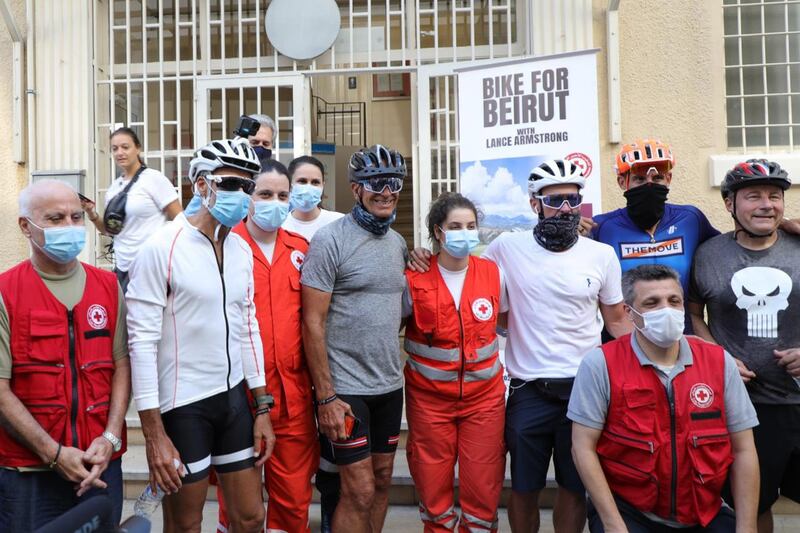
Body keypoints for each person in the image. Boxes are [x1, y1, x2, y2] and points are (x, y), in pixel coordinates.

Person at [126, 138, 275, 533]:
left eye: (247, 186)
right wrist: (153, 434)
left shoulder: (241, 249)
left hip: (234, 400)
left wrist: (262, 407)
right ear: (201, 185)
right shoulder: (161, 247)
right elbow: (140, 342)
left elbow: (247, 326)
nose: (240, 195)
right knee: (186, 524)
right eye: (230, 184)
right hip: (183, 405)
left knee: (250, 518)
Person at [482, 159, 632, 533]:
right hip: (527, 388)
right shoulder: (505, 247)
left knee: (573, 485)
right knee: (524, 488)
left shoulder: (600, 254)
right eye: (555, 201)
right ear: (535, 203)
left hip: (583, 390)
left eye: (572, 200)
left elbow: (616, 320)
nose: (565, 209)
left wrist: (656, 360)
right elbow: (480, 294)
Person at [570, 264, 760, 532]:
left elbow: (744, 450)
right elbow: (582, 448)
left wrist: (747, 526)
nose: (666, 310)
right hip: (631, 513)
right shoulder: (601, 363)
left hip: (703, 512)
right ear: (630, 313)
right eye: (651, 303)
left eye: (674, 301)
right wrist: (613, 523)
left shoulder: (719, 361)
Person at [0, 179, 130, 529]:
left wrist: (111, 437)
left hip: (99, 465)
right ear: (26, 226)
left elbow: (120, 366)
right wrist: (54, 455)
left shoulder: (107, 285)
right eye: (56, 219)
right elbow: (0, 391)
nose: (70, 227)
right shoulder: (5, 292)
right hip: (28, 474)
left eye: (76, 217)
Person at [689, 159, 800, 533]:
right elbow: (693, 313)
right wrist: (715, 356)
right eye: (753, 196)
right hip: (745, 409)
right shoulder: (708, 254)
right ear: (729, 204)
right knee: (753, 505)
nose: (767, 204)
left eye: (775, 195)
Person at [302, 144, 409, 533]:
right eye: (375, 183)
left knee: (381, 481)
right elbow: (311, 323)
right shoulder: (330, 240)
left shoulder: (397, 244)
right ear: (356, 188)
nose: (386, 191)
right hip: (346, 390)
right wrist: (326, 396)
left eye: (394, 182)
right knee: (358, 490)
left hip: (388, 385)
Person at [214, 160, 319, 532]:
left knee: (293, 503)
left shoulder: (303, 249)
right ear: (248, 196)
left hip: (293, 399)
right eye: (264, 194)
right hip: (237, 399)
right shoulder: (224, 247)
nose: (275, 202)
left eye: (282, 195)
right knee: (238, 509)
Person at [403, 192, 506, 532]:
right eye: (456, 226)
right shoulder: (413, 277)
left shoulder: (492, 273)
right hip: (429, 403)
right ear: (438, 232)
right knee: (433, 493)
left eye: (471, 226)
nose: (465, 232)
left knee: (483, 489)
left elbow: (503, 322)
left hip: (484, 402)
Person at [589, 139, 719, 334]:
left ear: (669, 179)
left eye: (657, 178)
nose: (649, 185)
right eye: (639, 179)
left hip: (680, 338)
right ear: (622, 182)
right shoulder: (602, 227)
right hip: (624, 341)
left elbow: (727, 249)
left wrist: (781, 226)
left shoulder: (691, 219)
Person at [82, 127, 183, 292]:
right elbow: (111, 230)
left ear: (138, 148)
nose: (119, 152)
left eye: (125, 147)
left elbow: (180, 220)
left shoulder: (153, 179)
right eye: (115, 149)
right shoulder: (114, 187)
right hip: (123, 268)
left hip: (152, 267)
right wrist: (91, 212)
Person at [282, 155, 345, 240]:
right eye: (302, 181)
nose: (308, 188)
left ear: (323, 185)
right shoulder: (280, 225)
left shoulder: (340, 223)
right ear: (289, 184)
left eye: (315, 182)